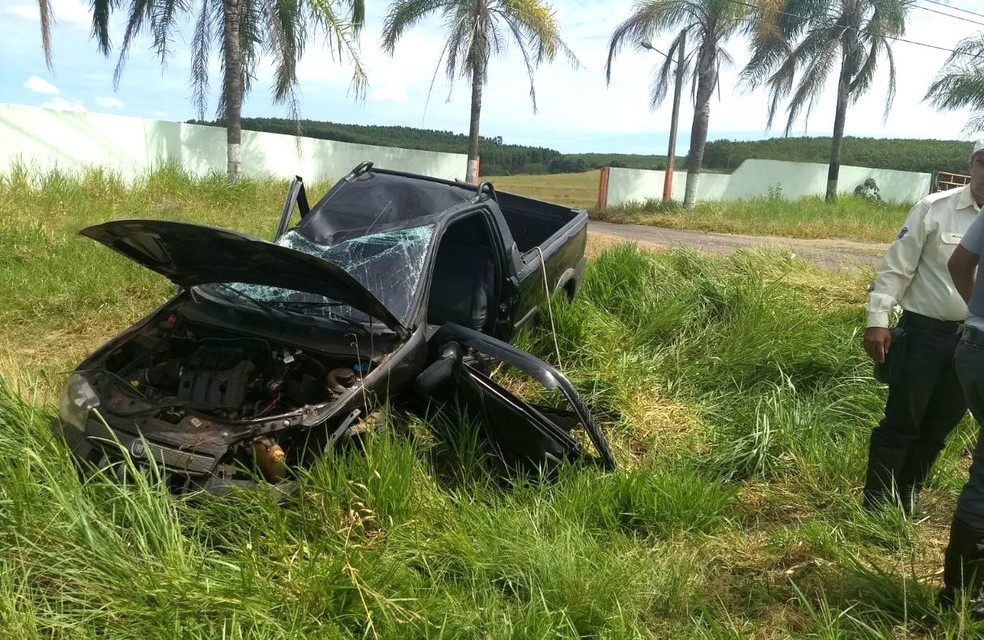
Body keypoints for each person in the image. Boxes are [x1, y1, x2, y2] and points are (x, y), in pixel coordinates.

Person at [861, 141, 984, 514]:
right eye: (982, 162)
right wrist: (877, 320)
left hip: (971, 345)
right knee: (901, 423)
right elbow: (896, 266)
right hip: (923, 335)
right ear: (971, 165)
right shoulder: (935, 209)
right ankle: (877, 504)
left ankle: (906, 498)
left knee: (938, 430)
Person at [938, 146, 984, 608]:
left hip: (974, 347)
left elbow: (958, 264)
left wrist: (978, 313)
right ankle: (967, 595)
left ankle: (962, 590)